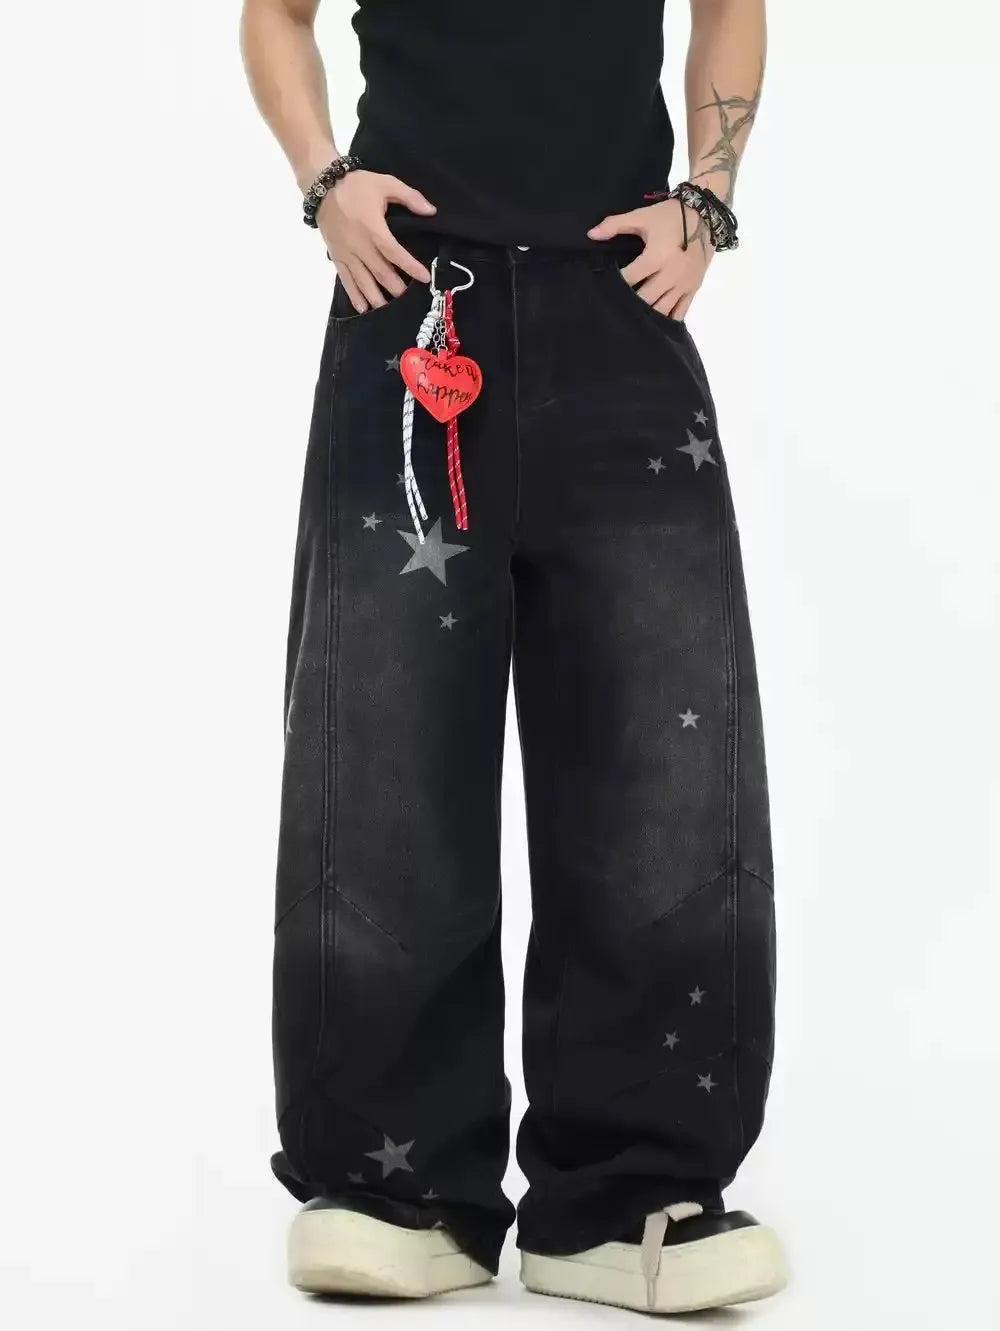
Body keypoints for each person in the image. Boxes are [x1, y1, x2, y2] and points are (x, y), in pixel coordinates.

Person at [241, 0, 785, 1314]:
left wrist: (707, 201)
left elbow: (732, 7)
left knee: (660, 743)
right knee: (382, 747)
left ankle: (631, 1191)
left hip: (620, 302)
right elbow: (275, 14)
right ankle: (394, 1187)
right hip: (410, 304)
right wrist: (323, 181)